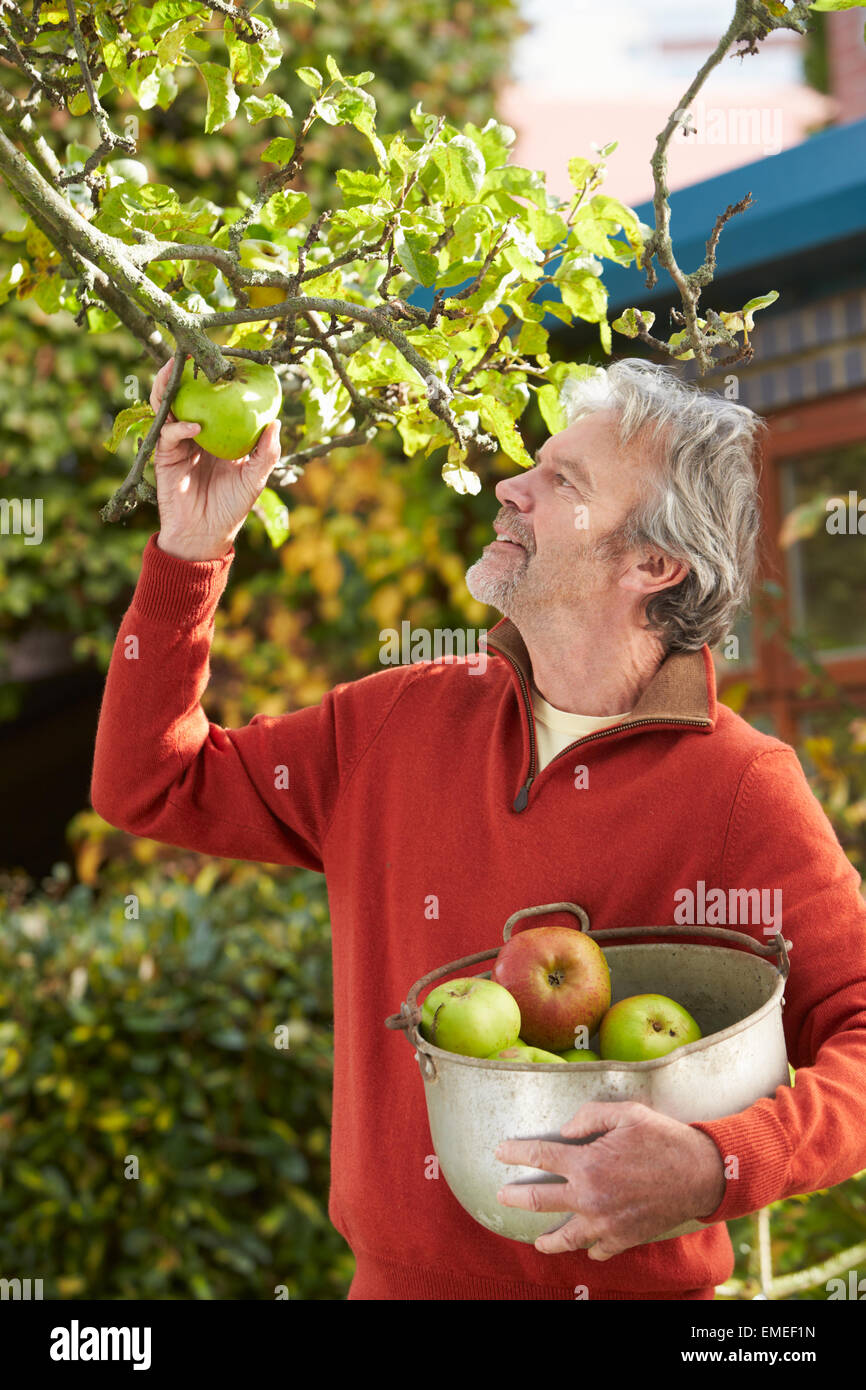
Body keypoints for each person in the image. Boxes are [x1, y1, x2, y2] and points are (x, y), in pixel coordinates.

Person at [91, 356, 866, 1300]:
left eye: (562, 481)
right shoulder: (395, 720)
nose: (510, 487)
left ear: (652, 565)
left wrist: (717, 1163)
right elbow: (149, 782)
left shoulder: (740, 786)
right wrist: (189, 549)